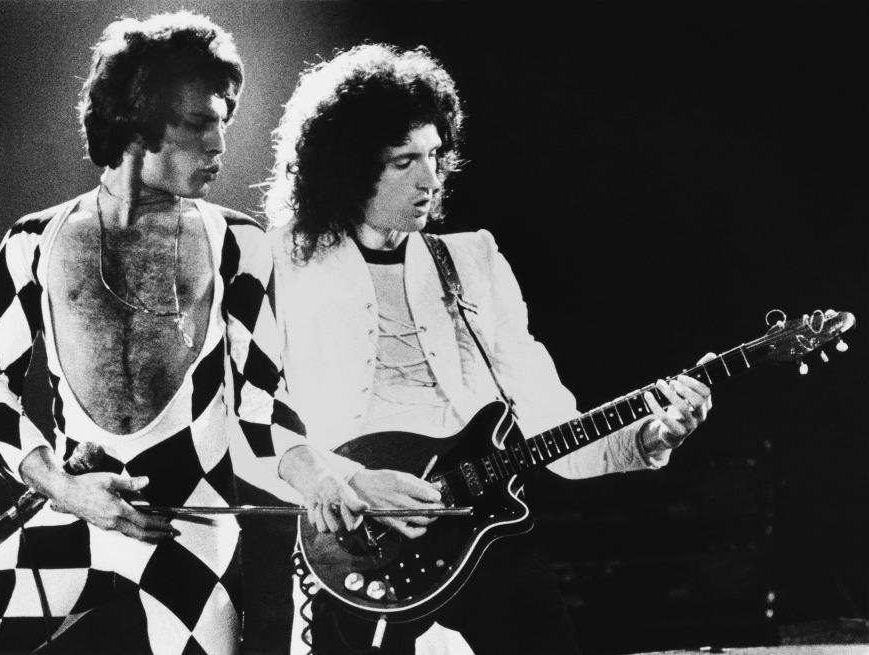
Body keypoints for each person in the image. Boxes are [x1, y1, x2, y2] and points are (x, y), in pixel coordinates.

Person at [0, 12, 364, 655]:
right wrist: (68, 491)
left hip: (191, 535)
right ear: (135, 118)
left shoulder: (239, 242)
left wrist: (323, 479)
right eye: (199, 122)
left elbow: (262, 409)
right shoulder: (31, 242)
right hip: (72, 520)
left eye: (223, 123)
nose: (219, 146)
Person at [264, 44, 714, 654]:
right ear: (346, 168)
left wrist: (648, 438)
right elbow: (258, 411)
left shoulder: (471, 259)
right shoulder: (282, 262)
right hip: (356, 530)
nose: (430, 179)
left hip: (477, 518)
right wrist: (346, 481)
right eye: (404, 162)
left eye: (434, 156)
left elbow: (548, 419)